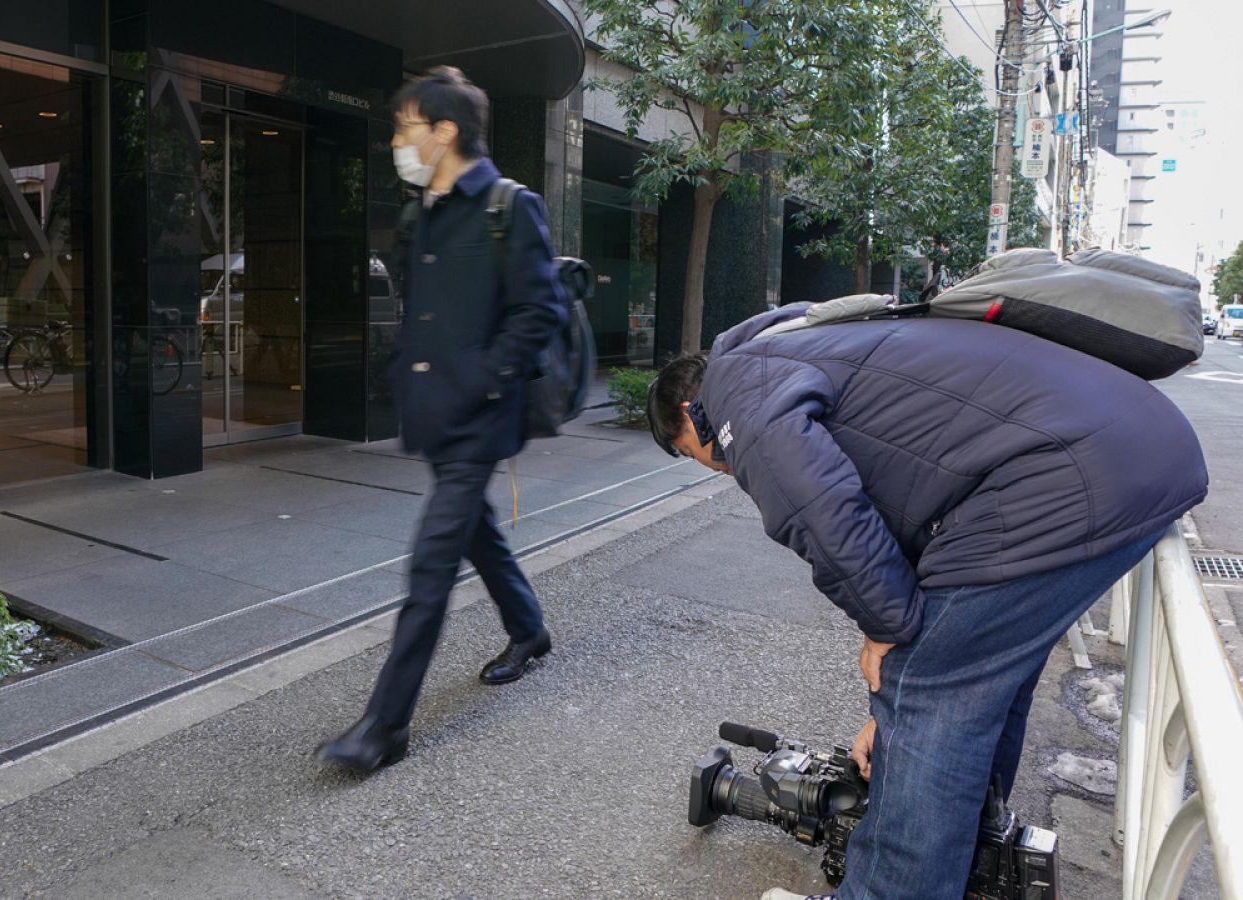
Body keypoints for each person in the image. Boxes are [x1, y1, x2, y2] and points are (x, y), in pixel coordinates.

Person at [645, 306, 1207, 900]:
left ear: (691, 416)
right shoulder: (799, 344)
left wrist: (894, 655)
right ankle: (970, 857)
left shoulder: (740, 395)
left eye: (692, 453)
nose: (717, 468)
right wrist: (893, 717)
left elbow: (821, 513)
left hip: (1070, 476)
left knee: (930, 687)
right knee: (976, 681)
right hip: (1137, 454)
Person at [318, 66, 566, 773]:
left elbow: (538, 309)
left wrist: (483, 381)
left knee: (430, 567)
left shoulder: (508, 206)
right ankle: (529, 629)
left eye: (407, 126)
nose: (399, 139)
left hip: (479, 416)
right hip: (432, 411)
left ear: (445, 130)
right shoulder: (418, 211)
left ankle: (383, 728)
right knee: (475, 532)